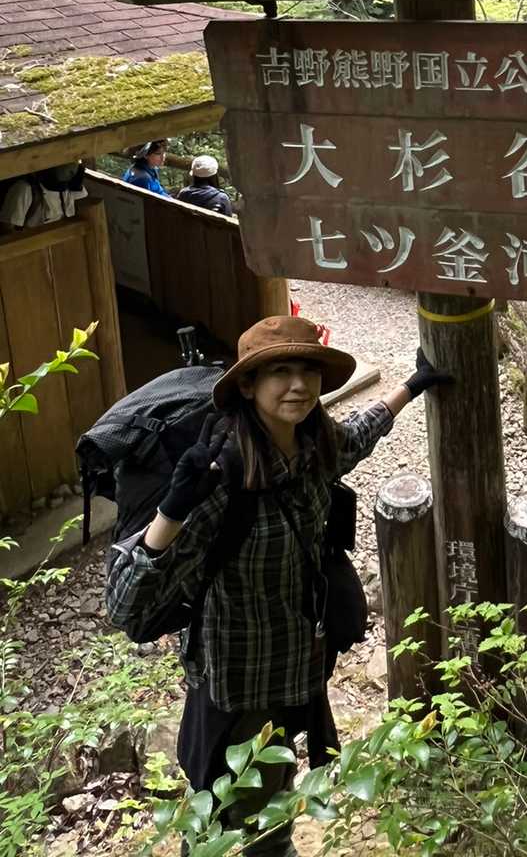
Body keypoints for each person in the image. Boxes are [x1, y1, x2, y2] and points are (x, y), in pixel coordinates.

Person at [105, 316, 450, 856]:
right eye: (280, 372)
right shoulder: (221, 477)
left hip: (296, 666)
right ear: (248, 386)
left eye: (308, 371)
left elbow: (357, 437)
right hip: (236, 685)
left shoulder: (312, 445)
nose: (298, 385)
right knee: (231, 819)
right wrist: (171, 511)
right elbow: (125, 604)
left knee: (269, 799)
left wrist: (410, 386)